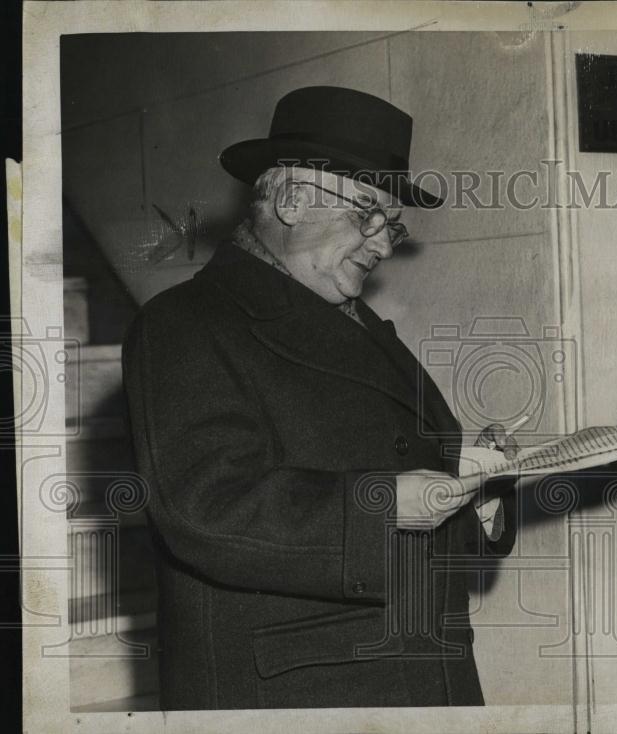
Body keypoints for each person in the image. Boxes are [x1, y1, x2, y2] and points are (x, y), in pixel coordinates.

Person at [123, 86, 517, 709]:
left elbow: (411, 488)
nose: (383, 245)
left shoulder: (357, 323)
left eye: (392, 223)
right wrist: (385, 503)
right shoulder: (185, 323)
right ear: (290, 199)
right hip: (296, 693)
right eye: (366, 213)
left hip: (417, 677)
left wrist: (478, 490)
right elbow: (204, 509)